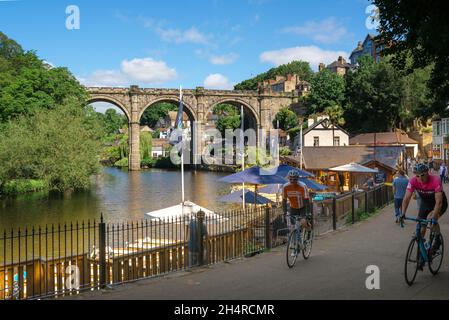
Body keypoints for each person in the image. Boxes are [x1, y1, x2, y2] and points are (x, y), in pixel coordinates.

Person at [401, 163, 447, 268]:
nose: (420, 178)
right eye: (417, 175)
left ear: (427, 173)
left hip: (439, 203)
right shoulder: (412, 181)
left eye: (423, 175)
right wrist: (403, 213)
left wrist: (433, 219)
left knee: (431, 218)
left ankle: (437, 238)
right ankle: (422, 254)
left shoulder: (435, 180)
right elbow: (406, 198)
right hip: (425, 204)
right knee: (421, 228)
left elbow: (439, 202)